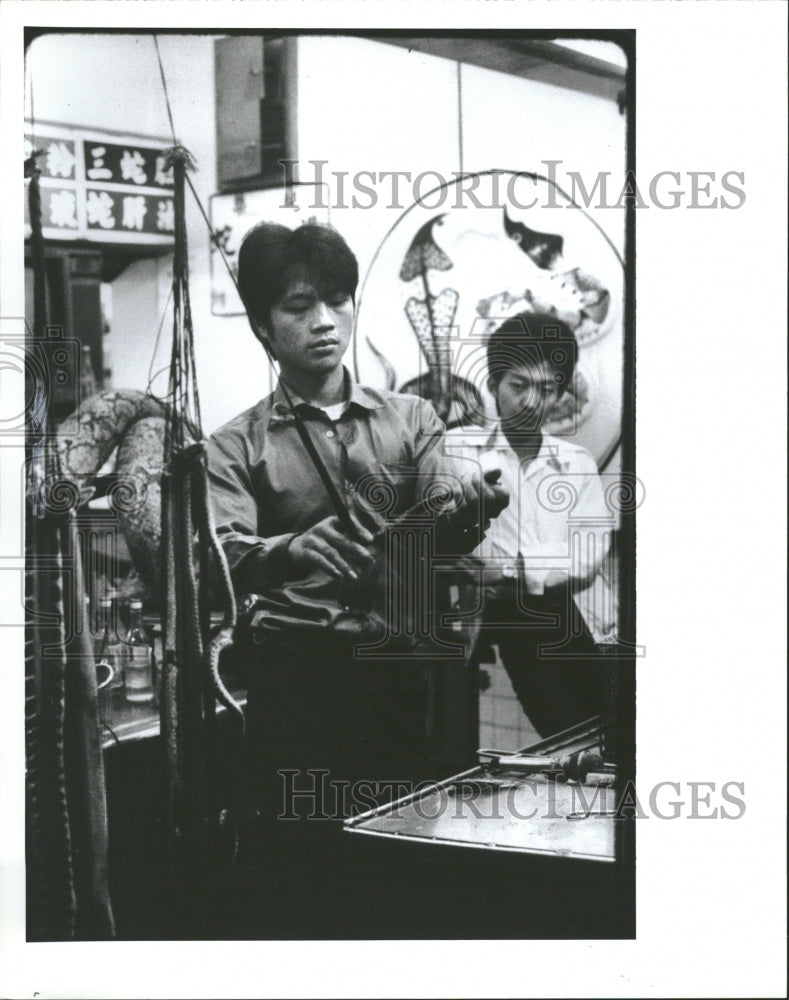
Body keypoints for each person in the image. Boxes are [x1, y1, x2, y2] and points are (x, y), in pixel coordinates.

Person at [204, 222, 507, 930]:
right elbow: (218, 557)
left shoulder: (412, 418)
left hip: (401, 674)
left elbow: (441, 528)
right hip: (298, 685)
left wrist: (470, 509)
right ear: (261, 325)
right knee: (307, 876)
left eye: (338, 300)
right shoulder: (233, 445)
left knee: (411, 871)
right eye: (298, 306)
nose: (323, 321)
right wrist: (290, 550)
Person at [446, 310, 613, 738]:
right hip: (486, 621)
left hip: (568, 618)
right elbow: (449, 545)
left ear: (560, 392)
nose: (531, 401)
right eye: (518, 385)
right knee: (561, 735)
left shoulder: (575, 463)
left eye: (546, 387)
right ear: (493, 385)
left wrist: (510, 571)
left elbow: (588, 558)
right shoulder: (458, 451)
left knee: (604, 731)